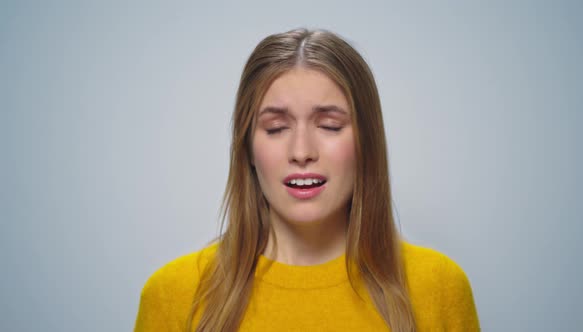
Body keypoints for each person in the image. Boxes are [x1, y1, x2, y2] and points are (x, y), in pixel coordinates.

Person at [134, 28, 480, 332]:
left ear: (366, 143)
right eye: (276, 128)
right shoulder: (173, 295)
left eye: (329, 125)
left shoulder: (438, 288)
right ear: (248, 150)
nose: (301, 151)